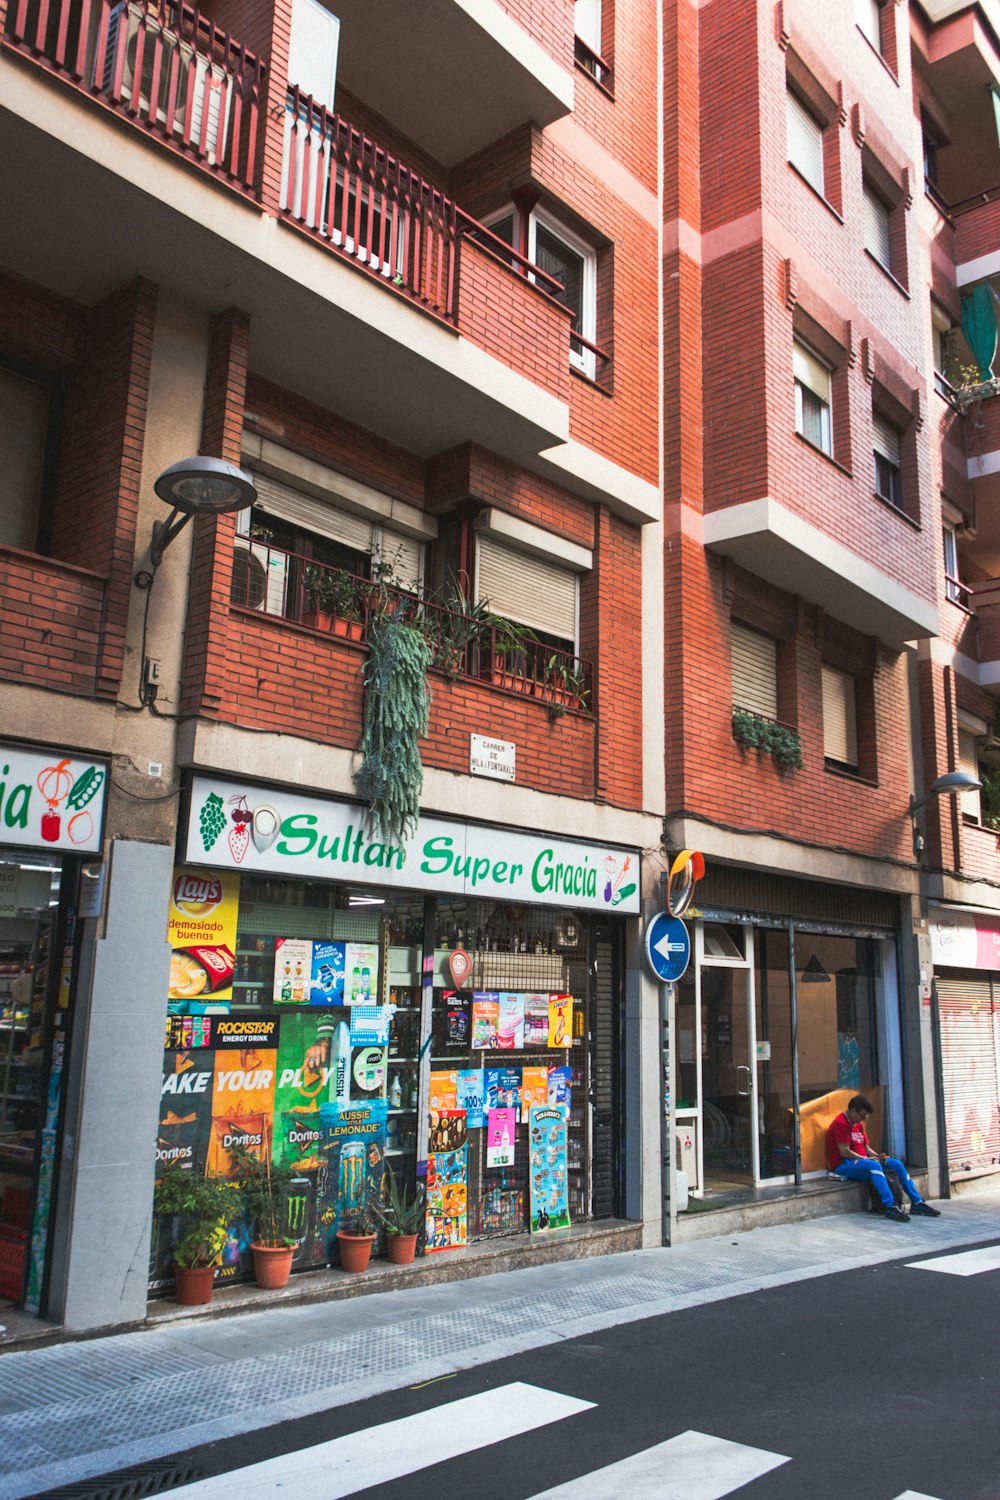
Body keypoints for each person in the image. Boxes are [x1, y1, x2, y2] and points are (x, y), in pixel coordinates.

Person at [827, 1094, 941, 1222]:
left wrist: (877, 1156)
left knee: (896, 1164)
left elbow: (866, 1147)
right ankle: (890, 1206)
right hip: (844, 1165)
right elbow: (844, 1152)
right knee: (874, 1166)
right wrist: (868, 1160)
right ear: (853, 1111)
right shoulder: (840, 1124)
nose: (863, 1119)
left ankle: (917, 1202)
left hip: (862, 1162)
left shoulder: (857, 1123)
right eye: (862, 1116)